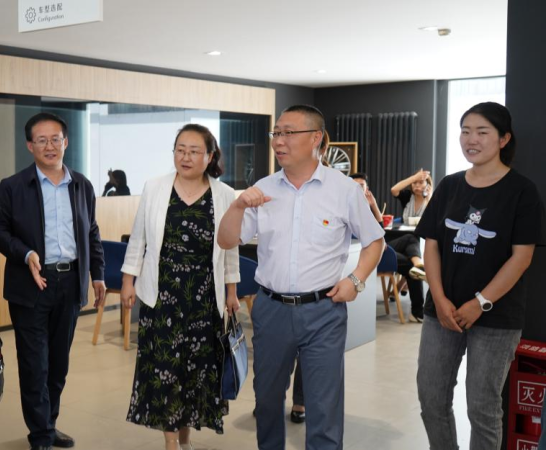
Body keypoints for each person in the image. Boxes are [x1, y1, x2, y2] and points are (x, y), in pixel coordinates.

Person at [218, 105, 385, 450]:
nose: (278, 141)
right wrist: (237, 206)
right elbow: (226, 240)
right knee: (266, 400)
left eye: (288, 133)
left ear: (316, 138)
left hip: (324, 310)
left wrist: (356, 281)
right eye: (276, 133)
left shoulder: (344, 190)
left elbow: (375, 241)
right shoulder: (263, 189)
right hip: (271, 309)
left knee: (324, 406)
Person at [415, 102, 544, 450]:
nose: (471, 139)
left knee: (482, 408)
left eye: (482, 132)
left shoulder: (522, 191)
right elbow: (431, 245)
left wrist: (480, 302)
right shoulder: (449, 185)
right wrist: (439, 298)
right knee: (431, 398)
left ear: (503, 139)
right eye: (465, 131)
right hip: (442, 312)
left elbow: (522, 257)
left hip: (496, 316)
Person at [0, 112, 106, 450]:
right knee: (34, 365)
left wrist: (97, 274)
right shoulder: (13, 186)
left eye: (56, 139)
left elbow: (91, 231)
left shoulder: (82, 185)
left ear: (66, 142)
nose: (50, 146)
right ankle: (40, 436)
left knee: (58, 365)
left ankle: (49, 425)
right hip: (31, 285)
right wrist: (25, 253)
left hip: (69, 284)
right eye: (42, 140)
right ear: (30, 146)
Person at [120, 124, 240, 450]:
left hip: (204, 298)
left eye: (194, 151)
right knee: (165, 369)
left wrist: (231, 292)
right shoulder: (155, 187)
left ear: (210, 156)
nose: (185, 157)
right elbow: (138, 239)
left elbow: (229, 249)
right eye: (180, 150)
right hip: (162, 297)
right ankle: (171, 443)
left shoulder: (224, 194)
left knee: (194, 372)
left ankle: (185, 440)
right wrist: (128, 281)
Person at [351, 172, 426, 321]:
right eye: (355, 186)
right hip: (369, 253)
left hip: (379, 245)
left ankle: (418, 264)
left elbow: (380, 230)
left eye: (362, 186)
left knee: (410, 238)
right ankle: (417, 312)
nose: (358, 189)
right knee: (410, 265)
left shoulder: (365, 205)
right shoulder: (350, 206)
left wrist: (373, 205)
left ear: (367, 189)